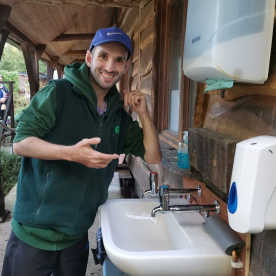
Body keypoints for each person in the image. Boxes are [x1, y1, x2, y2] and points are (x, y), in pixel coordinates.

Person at [1, 27, 161, 276]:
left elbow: (153, 156)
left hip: (76, 236)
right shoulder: (58, 93)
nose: (110, 66)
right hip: (34, 235)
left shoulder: (118, 115)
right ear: (89, 58)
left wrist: (144, 114)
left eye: (119, 60)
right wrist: (71, 153)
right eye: (103, 56)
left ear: (126, 67)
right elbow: (20, 143)